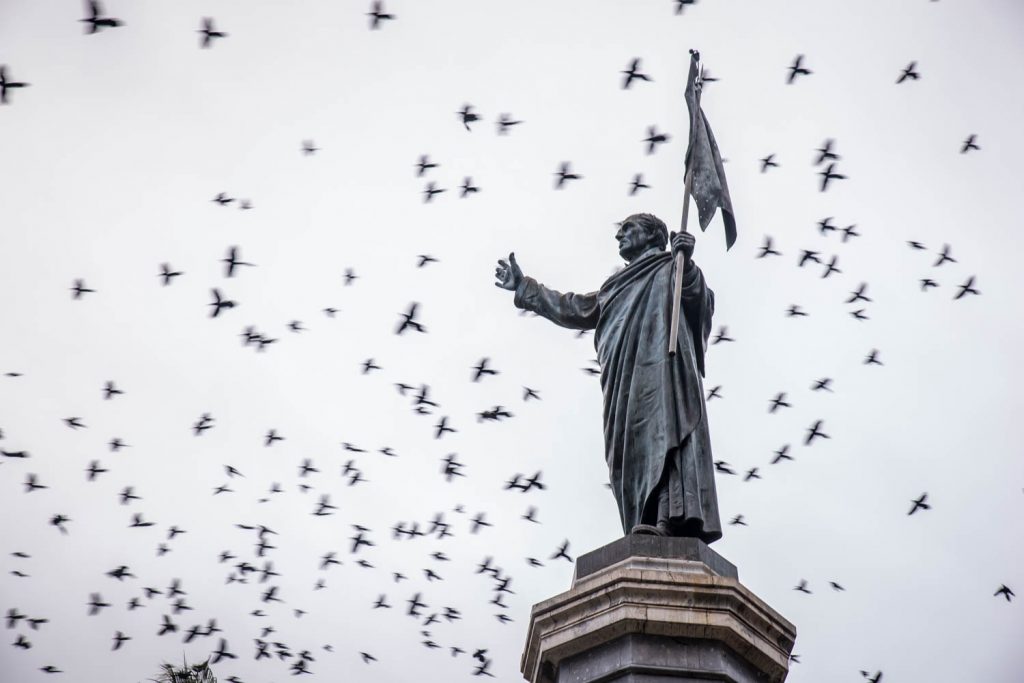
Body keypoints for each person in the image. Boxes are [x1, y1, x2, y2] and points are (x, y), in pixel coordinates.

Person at [494, 213, 721, 542]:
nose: (620, 236)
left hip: (661, 368)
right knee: (627, 454)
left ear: (653, 235)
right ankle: (641, 519)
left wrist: (688, 267)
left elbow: (700, 300)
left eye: (629, 229)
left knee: (664, 436)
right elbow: (574, 308)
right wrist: (524, 286)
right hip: (622, 384)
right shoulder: (613, 288)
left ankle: (665, 519)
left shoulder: (671, 266)